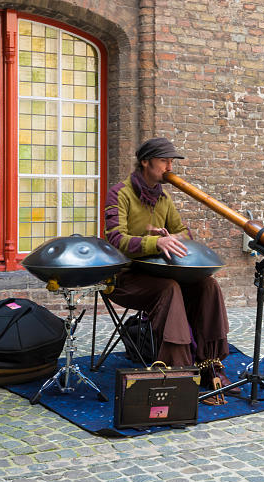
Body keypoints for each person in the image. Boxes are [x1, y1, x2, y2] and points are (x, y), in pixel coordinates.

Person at [103, 137, 234, 392]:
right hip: (126, 278)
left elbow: (184, 233)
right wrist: (155, 243)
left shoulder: (163, 199)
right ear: (145, 162)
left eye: (171, 162)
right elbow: (116, 239)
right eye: (164, 161)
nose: (169, 168)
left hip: (159, 273)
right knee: (170, 289)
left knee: (208, 285)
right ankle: (179, 372)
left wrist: (172, 238)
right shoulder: (120, 192)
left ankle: (210, 367)